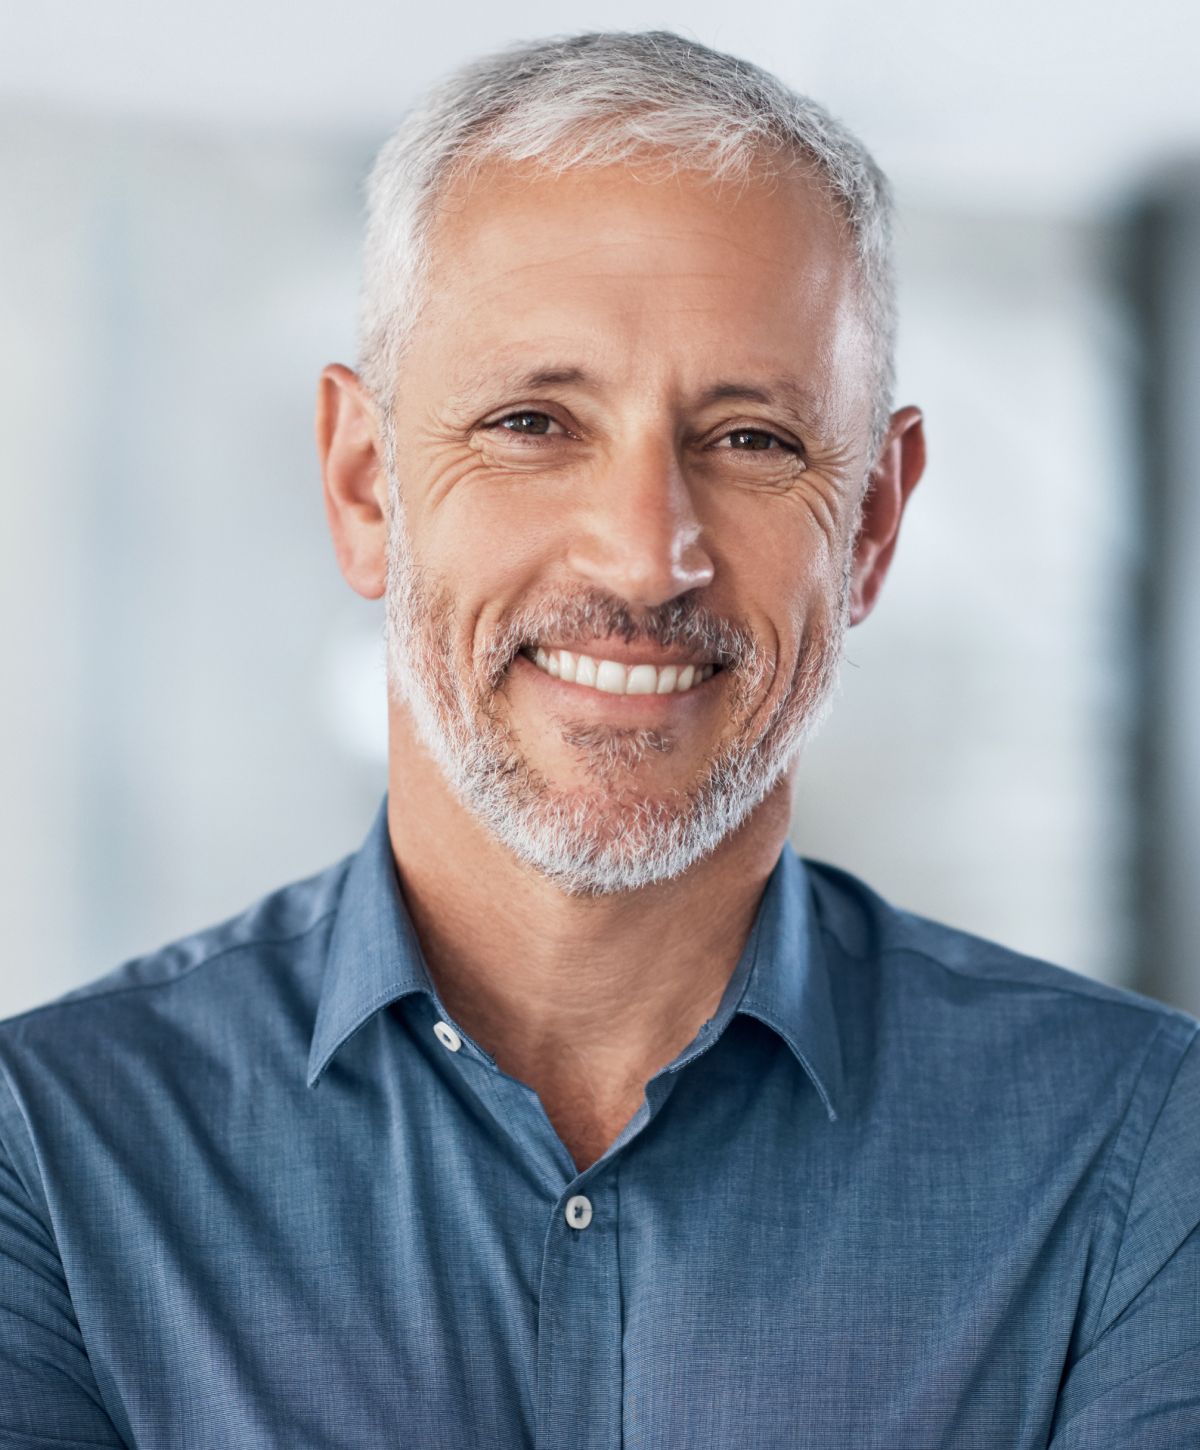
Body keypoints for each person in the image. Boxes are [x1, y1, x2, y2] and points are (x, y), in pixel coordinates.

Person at [1, 29, 1196, 1450]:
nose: (645, 559)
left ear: (872, 522)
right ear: (365, 482)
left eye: (752, 439)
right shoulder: (52, 1160)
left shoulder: (1136, 1149)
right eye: (531, 421)